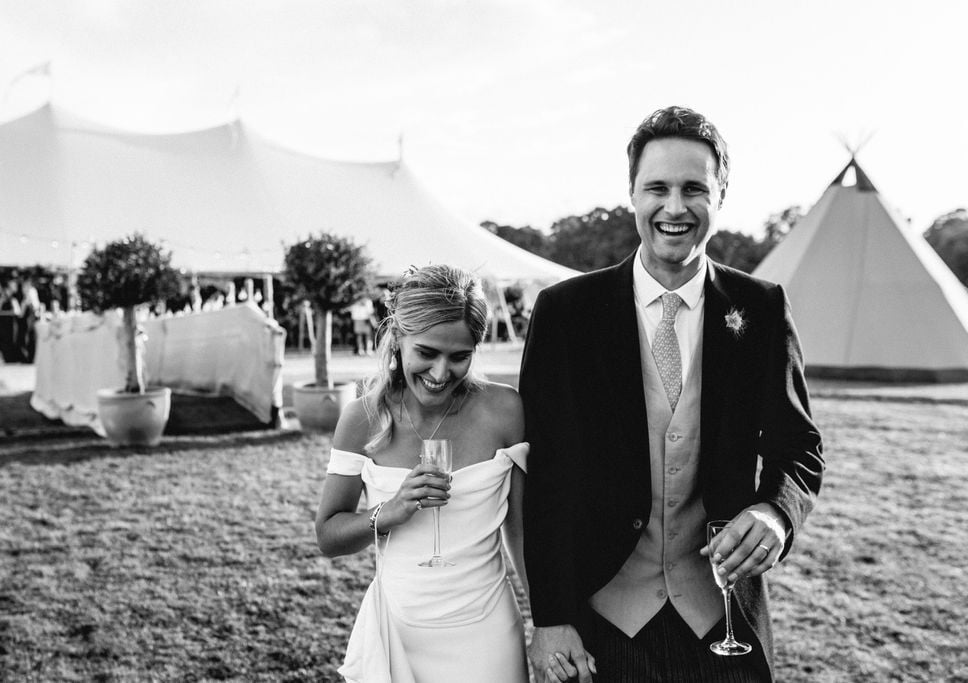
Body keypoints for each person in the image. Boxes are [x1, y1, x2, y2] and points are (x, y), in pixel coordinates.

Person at [519, 106, 825, 682]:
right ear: (632, 194)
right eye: (656, 187)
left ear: (720, 195)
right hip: (602, 618)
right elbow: (548, 476)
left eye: (694, 189)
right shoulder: (565, 313)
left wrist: (776, 513)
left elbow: (799, 446)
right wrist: (552, 616)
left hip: (725, 618)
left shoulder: (759, 308)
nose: (675, 207)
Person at [315, 264, 530, 682]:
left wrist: (546, 621)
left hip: (486, 635)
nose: (439, 373)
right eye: (427, 353)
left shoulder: (504, 410)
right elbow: (328, 536)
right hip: (399, 631)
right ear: (398, 340)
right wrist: (388, 512)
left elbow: (521, 530)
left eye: (459, 356)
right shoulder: (361, 419)